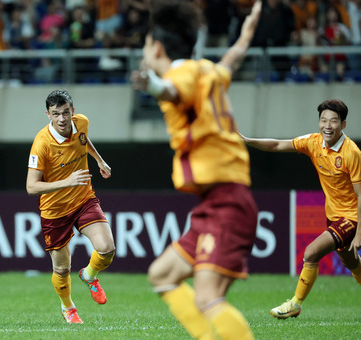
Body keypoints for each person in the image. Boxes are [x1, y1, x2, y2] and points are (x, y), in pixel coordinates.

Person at [130, 1, 262, 339]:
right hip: (216, 203)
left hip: (227, 202)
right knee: (162, 274)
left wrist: (152, 85)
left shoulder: (181, 74)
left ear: (156, 47)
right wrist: (247, 30)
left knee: (207, 296)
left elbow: (173, 92)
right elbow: (232, 58)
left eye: (146, 43)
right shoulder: (208, 70)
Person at [241, 99, 361, 319]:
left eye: (333, 121)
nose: (327, 125)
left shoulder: (352, 152)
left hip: (352, 217)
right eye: (323, 120)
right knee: (351, 262)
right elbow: (276, 145)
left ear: (343, 124)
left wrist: (359, 232)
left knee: (311, 252)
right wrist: (246, 140)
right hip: (333, 215)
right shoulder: (313, 142)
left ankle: (295, 304)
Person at [26, 90, 115, 325]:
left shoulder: (81, 122)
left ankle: (89, 275)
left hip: (83, 199)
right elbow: (31, 187)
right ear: (48, 115)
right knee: (62, 269)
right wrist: (67, 181)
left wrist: (99, 160)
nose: (62, 119)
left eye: (66, 112)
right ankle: (68, 307)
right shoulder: (41, 144)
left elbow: (83, 140)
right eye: (56, 114)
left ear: (72, 111)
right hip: (55, 211)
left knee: (107, 249)